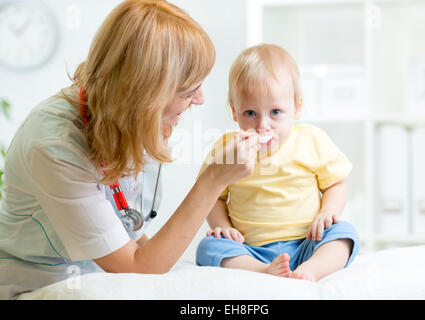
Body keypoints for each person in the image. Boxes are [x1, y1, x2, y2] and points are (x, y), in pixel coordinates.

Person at [0, 0, 261, 299]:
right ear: (147, 95)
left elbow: (127, 233)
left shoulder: (129, 118)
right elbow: (136, 268)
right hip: (39, 285)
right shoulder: (54, 146)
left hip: (102, 275)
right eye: (188, 91)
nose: (200, 99)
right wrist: (213, 180)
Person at [196, 44, 360, 281]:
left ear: (297, 107)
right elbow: (213, 197)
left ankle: (311, 270)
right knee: (209, 247)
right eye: (250, 113)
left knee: (345, 233)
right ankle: (263, 271)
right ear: (234, 111)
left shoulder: (311, 139)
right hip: (251, 250)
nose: (263, 125)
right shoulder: (228, 149)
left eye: (275, 112)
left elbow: (336, 184)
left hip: (308, 243)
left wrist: (328, 212)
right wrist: (224, 227)